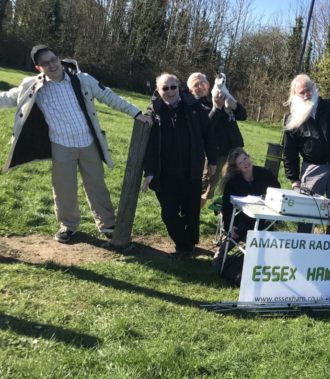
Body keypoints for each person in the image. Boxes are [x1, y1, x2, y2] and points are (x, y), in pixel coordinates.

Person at [0, 44, 151, 243]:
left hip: (88, 142)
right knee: (64, 189)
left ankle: (108, 225)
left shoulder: (82, 79)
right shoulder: (33, 85)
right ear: (39, 68)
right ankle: (68, 226)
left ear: (59, 58)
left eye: (53, 59)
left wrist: (136, 113)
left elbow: (109, 96)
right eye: (45, 63)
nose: (52, 65)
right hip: (61, 145)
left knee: (97, 185)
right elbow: (8, 97)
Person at [142, 73, 217, 259]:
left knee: (191, 212)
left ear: (179, 87)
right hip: (165, 174)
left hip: (191, 169)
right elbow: (149, 146)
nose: (169, 92)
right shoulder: (154, 111)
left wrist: (213, 160)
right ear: (158, 91)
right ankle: (184, 244)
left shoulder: (193, 107)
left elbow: (208, 134)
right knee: (169, 213)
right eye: (164, 88)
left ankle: (188, 246)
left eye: (172, 87)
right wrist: (149, 171)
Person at [282, 74, 330, 233]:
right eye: (301, 92)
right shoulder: (292, 119)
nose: (306, 95)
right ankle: (303, 247)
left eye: (308, 90)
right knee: (306, 211)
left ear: (314, 88)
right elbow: (289, 152)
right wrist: (294, 179)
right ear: (295, 95)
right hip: (312, 168)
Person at [212, 147, 281, 269]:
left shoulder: (265, 174)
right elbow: (227, 206)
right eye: (240, 162)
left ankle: (259, 264)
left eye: (245, 158)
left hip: (263, 218)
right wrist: (230, 226)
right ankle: (220, 255)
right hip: (241, 218)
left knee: (267, 233)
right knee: (238, 230)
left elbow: (278, 193)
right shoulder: (232, 182)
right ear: (236, 167)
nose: (245, 163)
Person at [187, 72, 246, 207]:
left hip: (236, 150)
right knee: (206, 190)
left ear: (209, 83)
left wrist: (233, 104)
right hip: (215, 155)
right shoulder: (194, 105)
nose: (201, 86)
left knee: (238, 186)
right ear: (191, 90)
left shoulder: (219, 95)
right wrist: (217, 108)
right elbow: (204, 128)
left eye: (203, 82)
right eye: (196, 85)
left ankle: (231, 220)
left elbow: (243, 115)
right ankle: (192, 217)